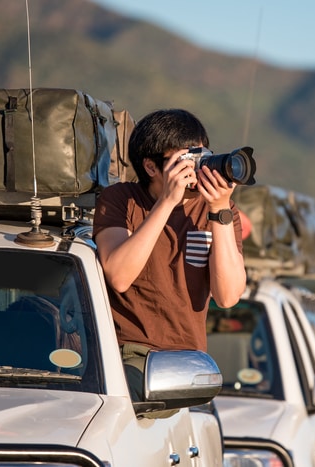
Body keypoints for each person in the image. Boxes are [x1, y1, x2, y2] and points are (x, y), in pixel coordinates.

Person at [93, 108, 246, 404]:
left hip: (189, 363)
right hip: (129, 356)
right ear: (151, 167)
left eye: (202, 158)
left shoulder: (221, 211)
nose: (197, 171)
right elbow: (120, 276)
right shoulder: (121, 200)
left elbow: (228, 296)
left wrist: (220, 210)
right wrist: (166, 203)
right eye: (185, 162)